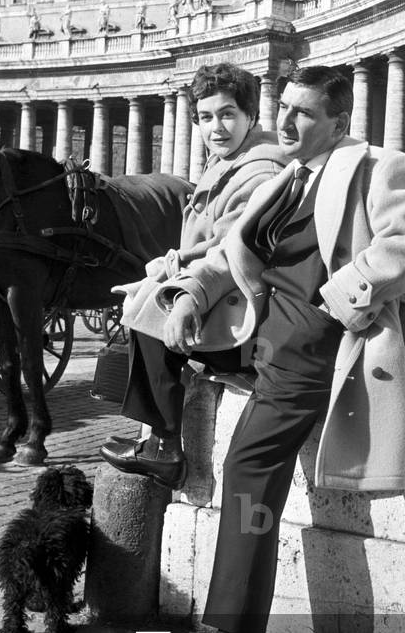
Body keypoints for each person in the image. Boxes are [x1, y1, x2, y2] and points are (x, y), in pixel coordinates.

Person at [160, 65, 405, 633]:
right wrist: (192, 294)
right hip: (260, 345)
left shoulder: (380, 167)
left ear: (338, 121)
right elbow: (230, 254)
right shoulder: (288, 177)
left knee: (248, 466)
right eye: (282, 107)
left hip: (316, 354)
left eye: (304, 113)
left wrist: (339, 298)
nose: (284, 122)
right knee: (153, 341)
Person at [100, 64, 287, 487]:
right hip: (230, 299)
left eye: (227, 115)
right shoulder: (230, 161)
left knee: (157, 303)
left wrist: (179, 273)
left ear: (251, 117)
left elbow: (231, 248)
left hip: (250, 321)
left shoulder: (258, 171)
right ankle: (157, 436)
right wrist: (176, 260)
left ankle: (164, 444)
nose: (215, 127)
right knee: (151, 291)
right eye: (205, 117)